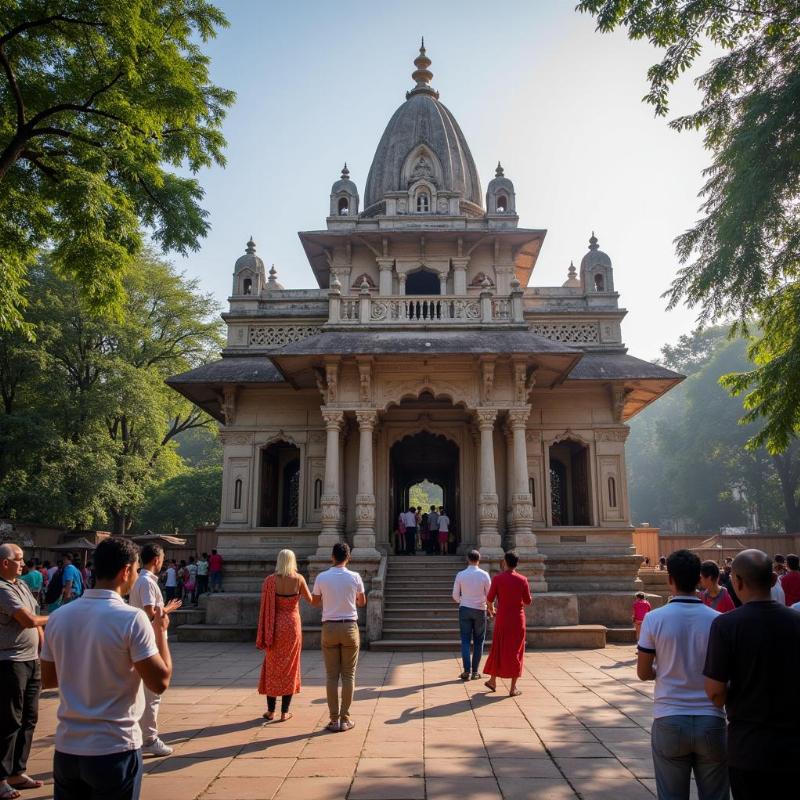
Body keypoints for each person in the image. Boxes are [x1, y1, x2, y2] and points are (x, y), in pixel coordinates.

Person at [41, 537, 172, 800]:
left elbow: (49, 679)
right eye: (135, 570)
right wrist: (159, 631)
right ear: (125, 571)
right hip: (115, 747)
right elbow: (160, 681)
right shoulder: (132, 618)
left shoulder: (58, 617)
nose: (136, 576)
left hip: (67, 748)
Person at [704, 549, 800, 799]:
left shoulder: (726, 625)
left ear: (736, 581)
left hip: (748, 747)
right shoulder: (796, 621)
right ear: (772, 580)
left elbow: (715, 692)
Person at [637, 549, 729, 800]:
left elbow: (643, 672)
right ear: (700, 578)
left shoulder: (654, 619)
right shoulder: (718, 621)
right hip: (711, 719)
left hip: (669, 718)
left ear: (670, 579)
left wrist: (663, 670)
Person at [0, 544, 47, 799]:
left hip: (31, 659)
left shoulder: (20, 585)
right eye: (18, 559)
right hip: (10, 661)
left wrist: (43, 647)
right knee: (9, 720)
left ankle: (18, 771)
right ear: (4, 563)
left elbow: (35, 617)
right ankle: (1, 777)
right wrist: (57, 618)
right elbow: (27, 619)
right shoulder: (2, 589)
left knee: (29, 717)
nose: (22, 563)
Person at [128, 544, 181, 758]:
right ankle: (149, 738)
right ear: (156, 560)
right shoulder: (147, 583)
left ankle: (142, 736)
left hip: (145, 639)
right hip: (151, 639)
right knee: (153, 693)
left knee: (144, 692)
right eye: (162, 558)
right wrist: (168, 609)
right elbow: (151, 613)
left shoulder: (140, 581)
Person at [311, 542, 366, 733]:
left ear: (332, 557)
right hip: (350, 627)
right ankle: (345, 719)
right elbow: (362, 601)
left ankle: (334, 720)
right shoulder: (355, 577)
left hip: (329, 627)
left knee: (331, 676)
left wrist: (330, 603)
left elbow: (316, 602)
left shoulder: (322, 577)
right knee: (349, 675)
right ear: (348, 557)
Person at [256, 549, 312, 721]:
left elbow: (265, 606)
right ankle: (284, 712)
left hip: (274, 626)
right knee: (290, 666)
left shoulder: (269, 581)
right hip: (292, 626)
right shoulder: (299, 579)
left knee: (272, 666)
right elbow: (312, 600)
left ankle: (271, 711)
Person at [483, 551, 532, 697]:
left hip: (502, 619)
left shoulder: (498, 579)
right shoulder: (523, 579)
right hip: (518, 619)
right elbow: (528, 601)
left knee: (498, 648)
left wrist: (491, 611)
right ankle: (513, 688)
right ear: (517, 563)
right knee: (516, 651)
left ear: (505, 562)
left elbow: (489, 599)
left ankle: (493, 680)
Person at [452, 550, 491, 680]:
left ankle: (466, 671)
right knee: (479, 641)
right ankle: (475, 671)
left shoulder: (461, 574)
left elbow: (455, 595)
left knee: (465, 641)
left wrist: (462, 601)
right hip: (480, 609)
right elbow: (490, 595)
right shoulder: (484, 575)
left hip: (465, 609)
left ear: (468, 559)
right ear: (479, 560)